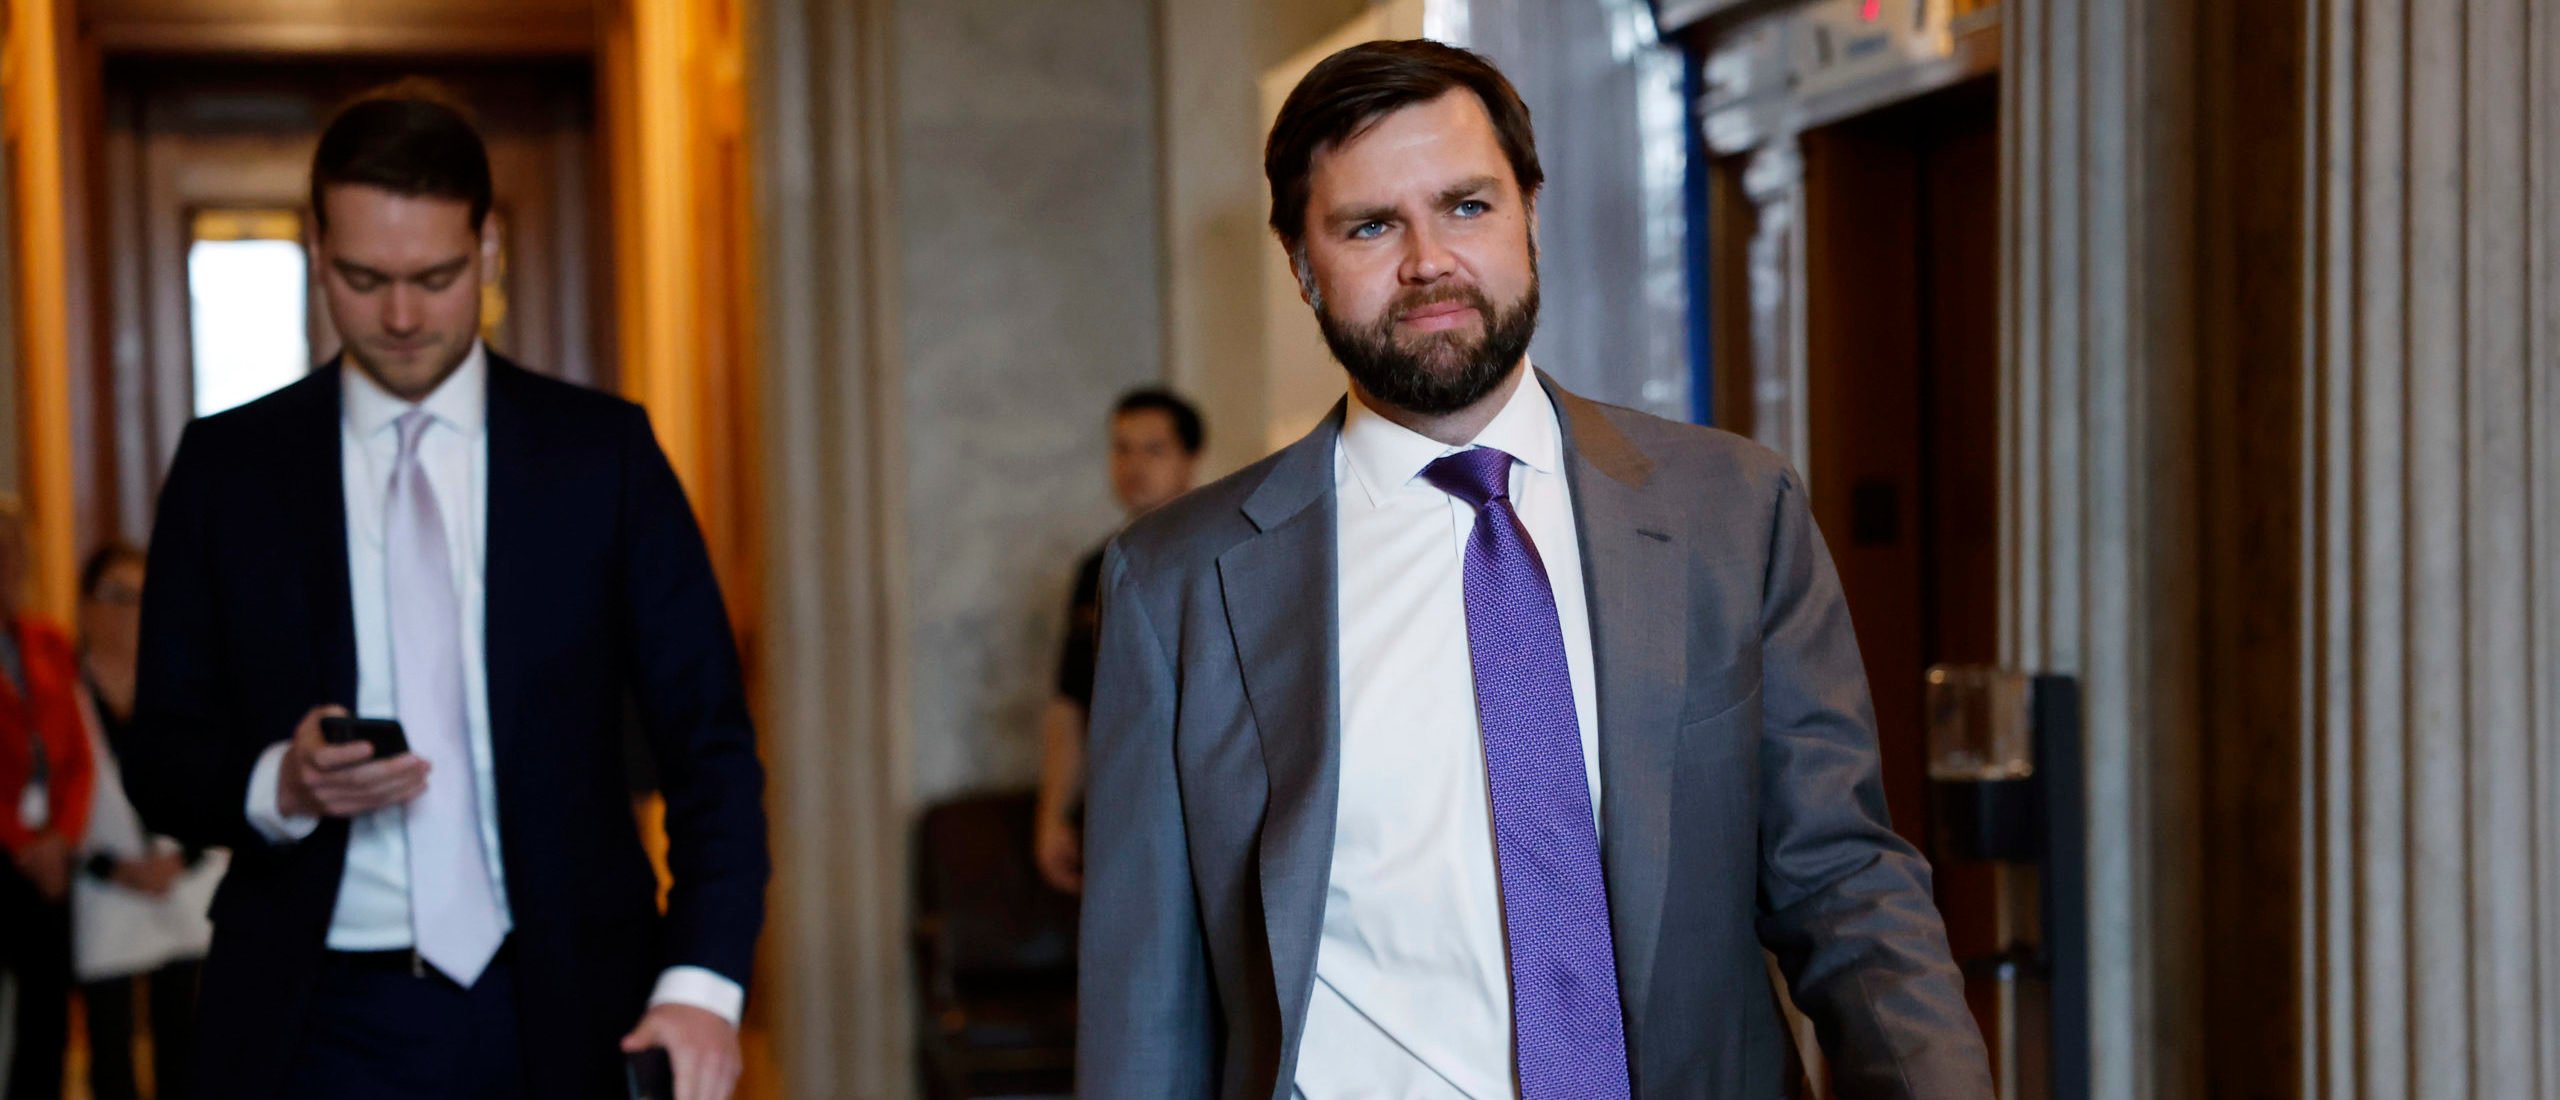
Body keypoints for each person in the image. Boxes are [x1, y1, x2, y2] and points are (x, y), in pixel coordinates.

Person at [1075, 40, 1993, 1099]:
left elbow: (1841, 881)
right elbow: (1145, 999)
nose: (1428, 260)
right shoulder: (1180, 581)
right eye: (1370, 225)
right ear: (1299, 264)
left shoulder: (1732, 513)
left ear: (1530, 216)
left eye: (1466, 205)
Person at [125, 87, 768, 1100]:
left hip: (570, 1001)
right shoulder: (228, 469)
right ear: (316, 248)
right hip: (314, 1017)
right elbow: (160, 754)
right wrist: (277, 786)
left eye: (435, 275)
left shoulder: (603, 457)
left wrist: (701, 981)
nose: (401, 314)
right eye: (363, 277)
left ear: (490, 250)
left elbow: (711, 748)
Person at [1032, 389, 1203, 894]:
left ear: (1190, 459)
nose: (1134, 466)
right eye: (1122, 449)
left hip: (1200, 807)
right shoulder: (1096, 570)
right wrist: (1052, 814)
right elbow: (1070, 700)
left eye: (1153, 450)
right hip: (1119, 809)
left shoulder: (1226, 552)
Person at [71, 542, 223, 1100]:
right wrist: (117, 869)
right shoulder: (64, 690)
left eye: (142, 596)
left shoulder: (183, 686)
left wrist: (179, 858)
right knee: (110, 1053)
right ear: (86, 604)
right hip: (102, 886)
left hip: (182, 882)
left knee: (183, 1047)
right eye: (116, 595)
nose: (130, 610)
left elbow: (217, 781)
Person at [0, 497, 96, 1100]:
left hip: (54, 860)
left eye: (10, 551)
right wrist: (21, 843)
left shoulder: (46, 640)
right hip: (6, 854)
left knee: (48, 1015)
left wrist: (62, 837)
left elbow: (78, 757)